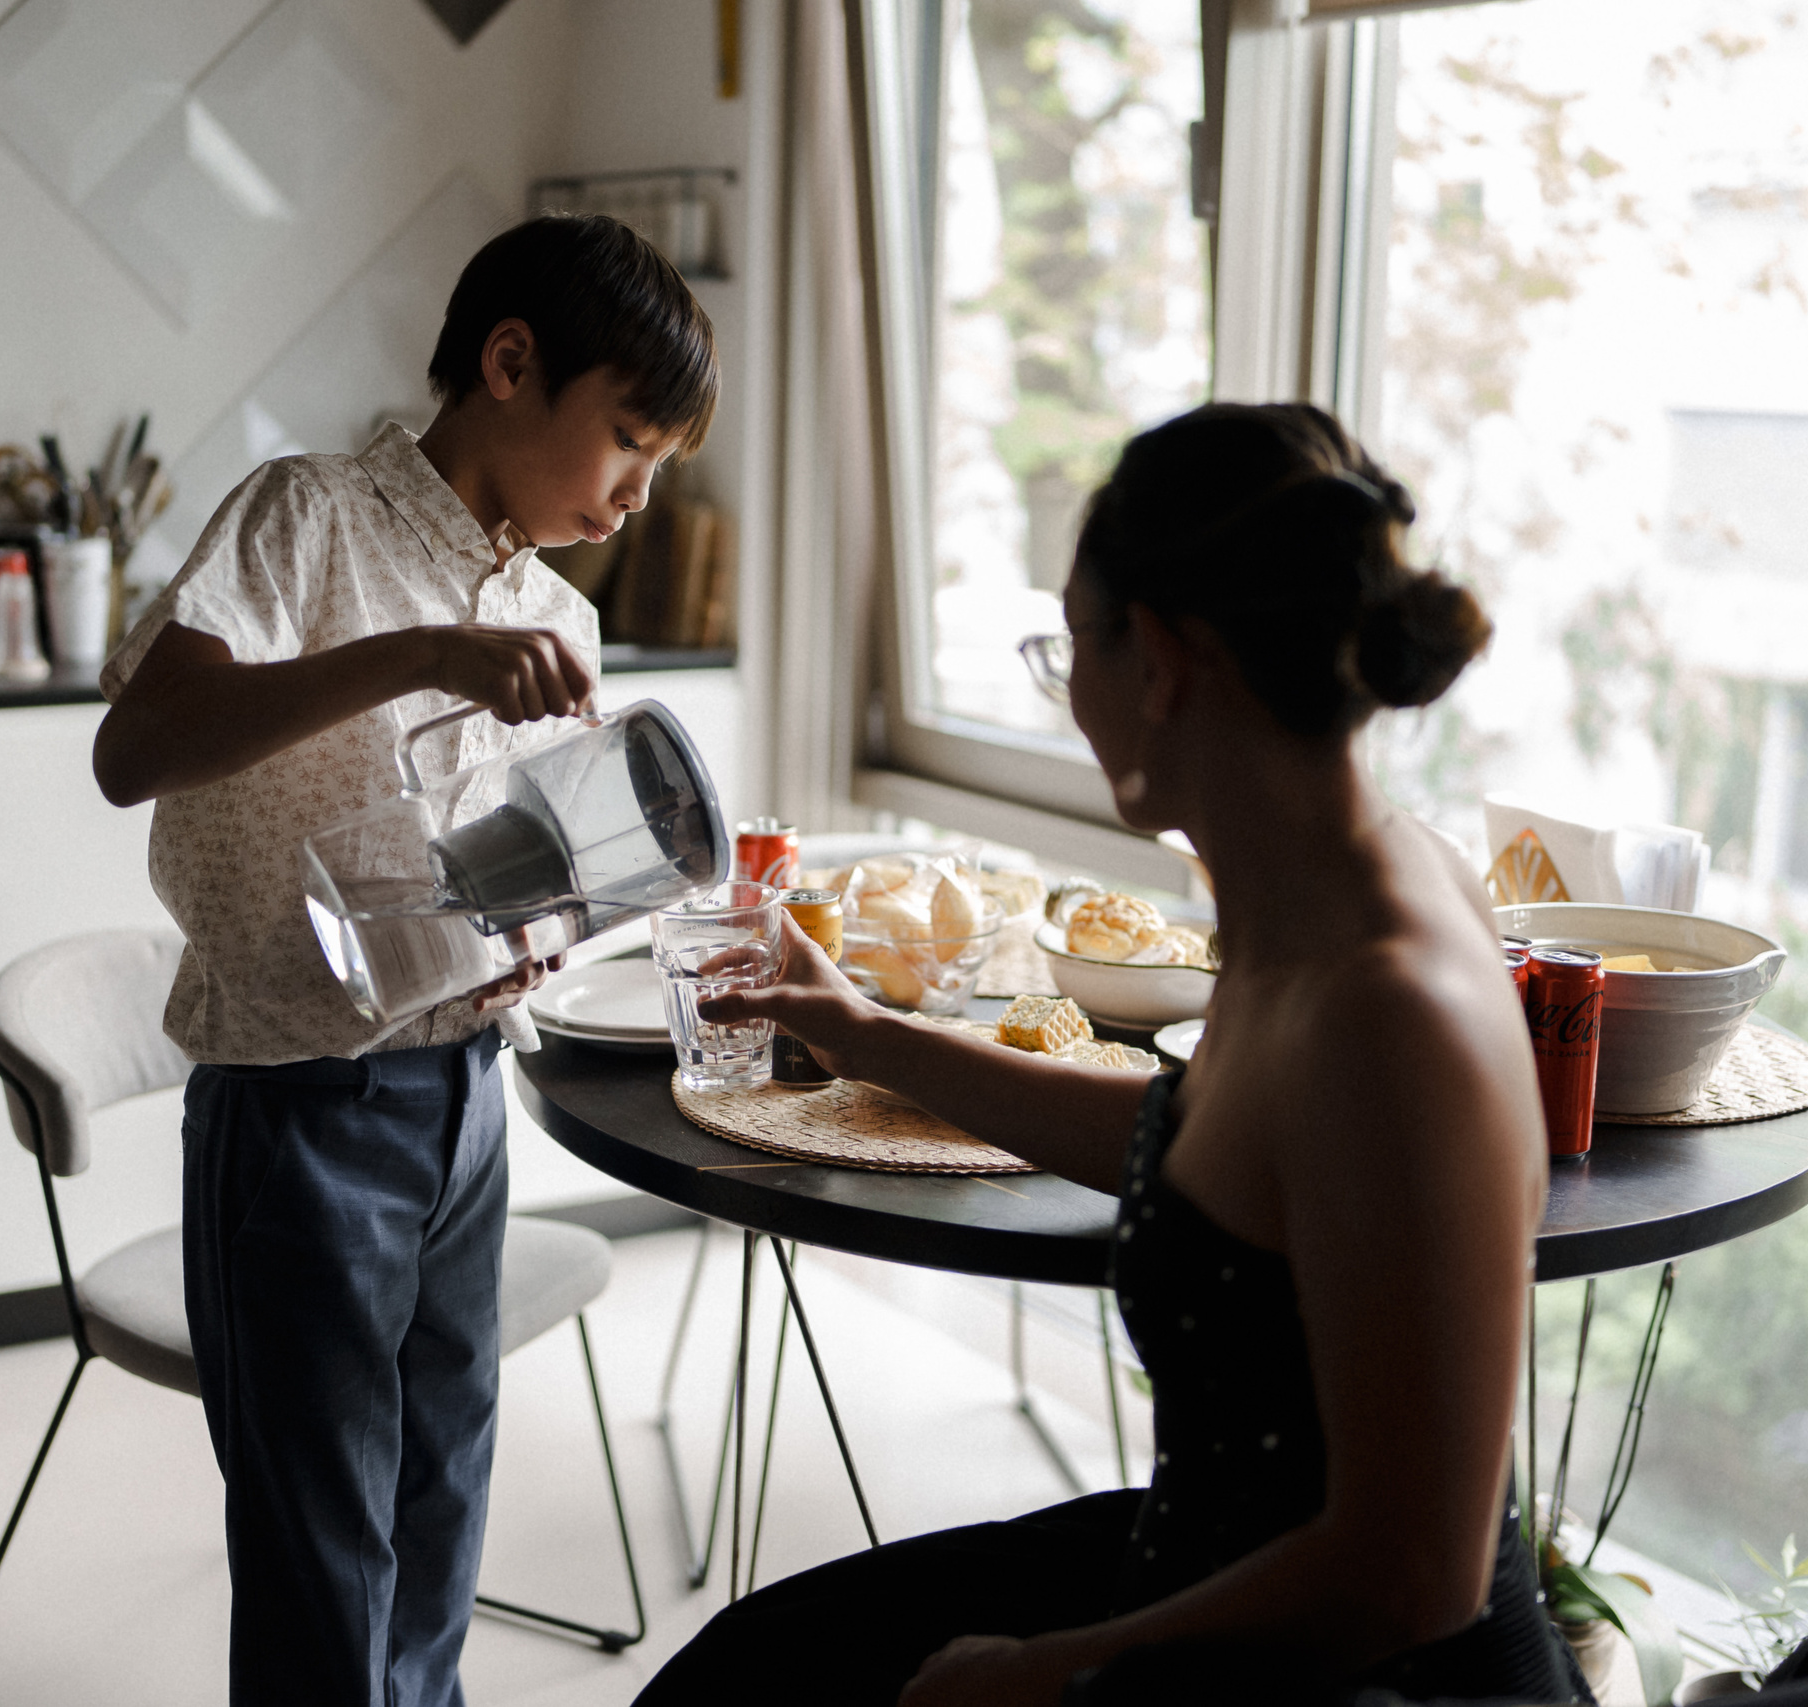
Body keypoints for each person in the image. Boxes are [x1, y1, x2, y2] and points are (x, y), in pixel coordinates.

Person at [638, 403, 1588, 1707]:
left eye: (1063, 644)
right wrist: (861, 1030)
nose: (1066, 696)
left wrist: (1042, 1672)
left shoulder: (1391, 1011)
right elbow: (1197, 1151)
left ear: (1159, 659)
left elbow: (1414, 1575)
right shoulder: (1305, 888)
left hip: (1365, 1666)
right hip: (1219, 1564)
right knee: (751, 1669)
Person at [92, 213, 717, 1707]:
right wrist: (421, 653)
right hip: (298, 1117)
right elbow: (136, 749)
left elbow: (503, 873)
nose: (634, 500)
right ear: (511, 365)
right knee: (327, 1558)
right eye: (627, 442)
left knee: (439, 1527)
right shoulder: (303, 519)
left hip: (466, 1110)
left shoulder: (554, 615)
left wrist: (585, 899)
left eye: (658, 471)